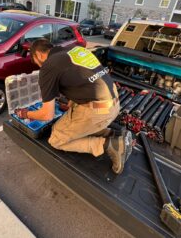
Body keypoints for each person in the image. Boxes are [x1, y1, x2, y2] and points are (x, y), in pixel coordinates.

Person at [15, 38, 133, 174]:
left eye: (37, 63)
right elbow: (86, 80)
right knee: (71, 124)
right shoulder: (76, 50)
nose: (40, 67)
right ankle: (113, 134)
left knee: (56, 139)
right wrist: (71, 104)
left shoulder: (49, 65)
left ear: (39, 55)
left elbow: (47, 114)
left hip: (97, 112)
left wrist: (25, 114)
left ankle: (109, 145)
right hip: (114, 104)